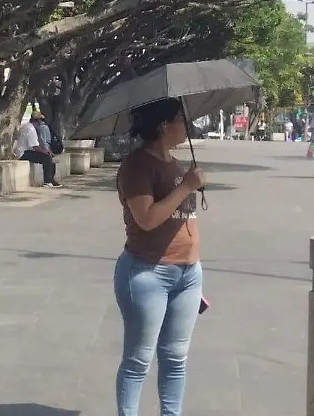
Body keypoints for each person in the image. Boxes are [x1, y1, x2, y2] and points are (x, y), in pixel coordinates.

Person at [114, 98, 204, 416]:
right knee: (139, 358)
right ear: (164, 125)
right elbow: (147, 218)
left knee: (176, 357)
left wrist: (191, 185)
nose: (187, 124)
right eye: (181, 118)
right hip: (148, 272)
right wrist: (186, 188)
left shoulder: (175, 164)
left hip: (188, 273)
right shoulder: (137, 166)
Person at [14, 112, 62, 188]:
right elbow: (35, 147)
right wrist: (45, 152)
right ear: (38, 121)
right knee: (46, 158)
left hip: (27, 151)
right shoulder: (30, 129)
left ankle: (51, 179)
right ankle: (47, 181)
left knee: (49, 157)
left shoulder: (27, 126)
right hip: (23, 153)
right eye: (41, 121)